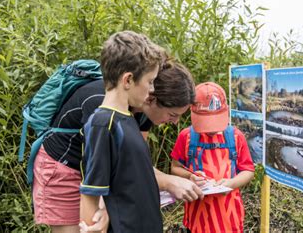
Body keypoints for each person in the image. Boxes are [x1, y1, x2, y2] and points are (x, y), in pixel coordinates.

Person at [32, 31, 203, 233]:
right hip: (64, 166)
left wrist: (177, 180)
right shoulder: (101, 109)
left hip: (93, 171)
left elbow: (134, 163)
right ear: (152, 99)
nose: (174, 122)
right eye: (173, 114)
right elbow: (97, 165)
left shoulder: (137, 112)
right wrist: (103, 209)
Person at [79, 30, 163, 232]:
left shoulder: (127, 118)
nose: (152, 90)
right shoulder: (103, 124)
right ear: (128, 80)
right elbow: (90, 191)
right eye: (150, 81)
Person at [170, 82, 255, 233]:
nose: (211, 130)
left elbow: (248, 170)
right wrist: (191, 176)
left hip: (229, 217)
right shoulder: (186, 137)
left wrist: (231, 183)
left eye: (215, 123)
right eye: (205, 123)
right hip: (197, 217)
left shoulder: (235, 137)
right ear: (192, 112)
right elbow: (175, 167)